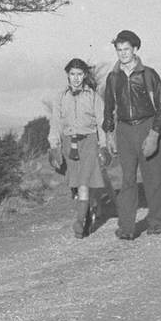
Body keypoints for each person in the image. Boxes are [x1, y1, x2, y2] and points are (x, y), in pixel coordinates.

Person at [102, 30, 161, 240]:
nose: (123, 54)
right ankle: (126, 228)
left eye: (126, 49)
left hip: (147, 126)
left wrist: (154, 134)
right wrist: (109, 134)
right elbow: (108, 109)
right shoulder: (113, 78)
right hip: (124, 130)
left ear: (135, 49)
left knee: (153, 178)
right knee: (127, 181)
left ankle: (157, 223)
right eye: (119, 50)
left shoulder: (148, 75)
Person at [48, 58, 109, 238]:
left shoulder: (93, 96)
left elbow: (101, 123)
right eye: (73, 74)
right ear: (68, 75)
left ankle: (80, 221)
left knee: (83, 184)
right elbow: (56, 123)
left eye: (79, 74)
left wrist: (104, 146)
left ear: (85, 75)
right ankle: (89, 209)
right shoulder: (60, 97)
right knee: (75, 184)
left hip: (89, 142)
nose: (76, 78)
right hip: (69, 144)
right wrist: (54, 145)